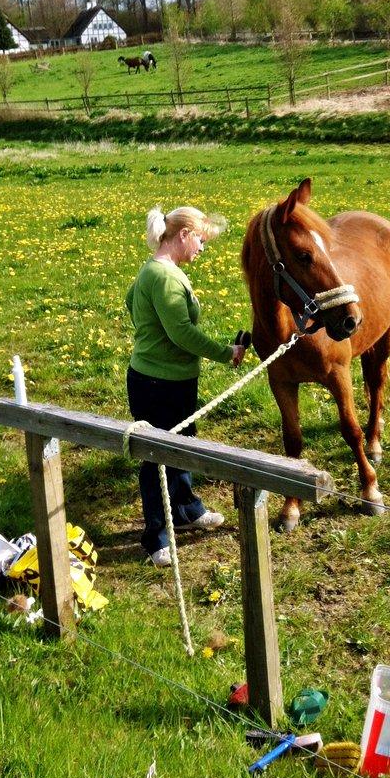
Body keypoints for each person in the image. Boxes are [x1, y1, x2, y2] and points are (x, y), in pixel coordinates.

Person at [126, 204, 246, 566]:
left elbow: (130, 301)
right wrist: (226, 353)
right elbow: (181, 333)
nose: (202, 248)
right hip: (158, 383)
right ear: (183, 235)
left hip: (167, 379)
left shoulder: (155, 270)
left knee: (179, 446)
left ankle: (187, 511)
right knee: (156, 456)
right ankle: (156, 539)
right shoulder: (164, 277)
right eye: (201, 240)